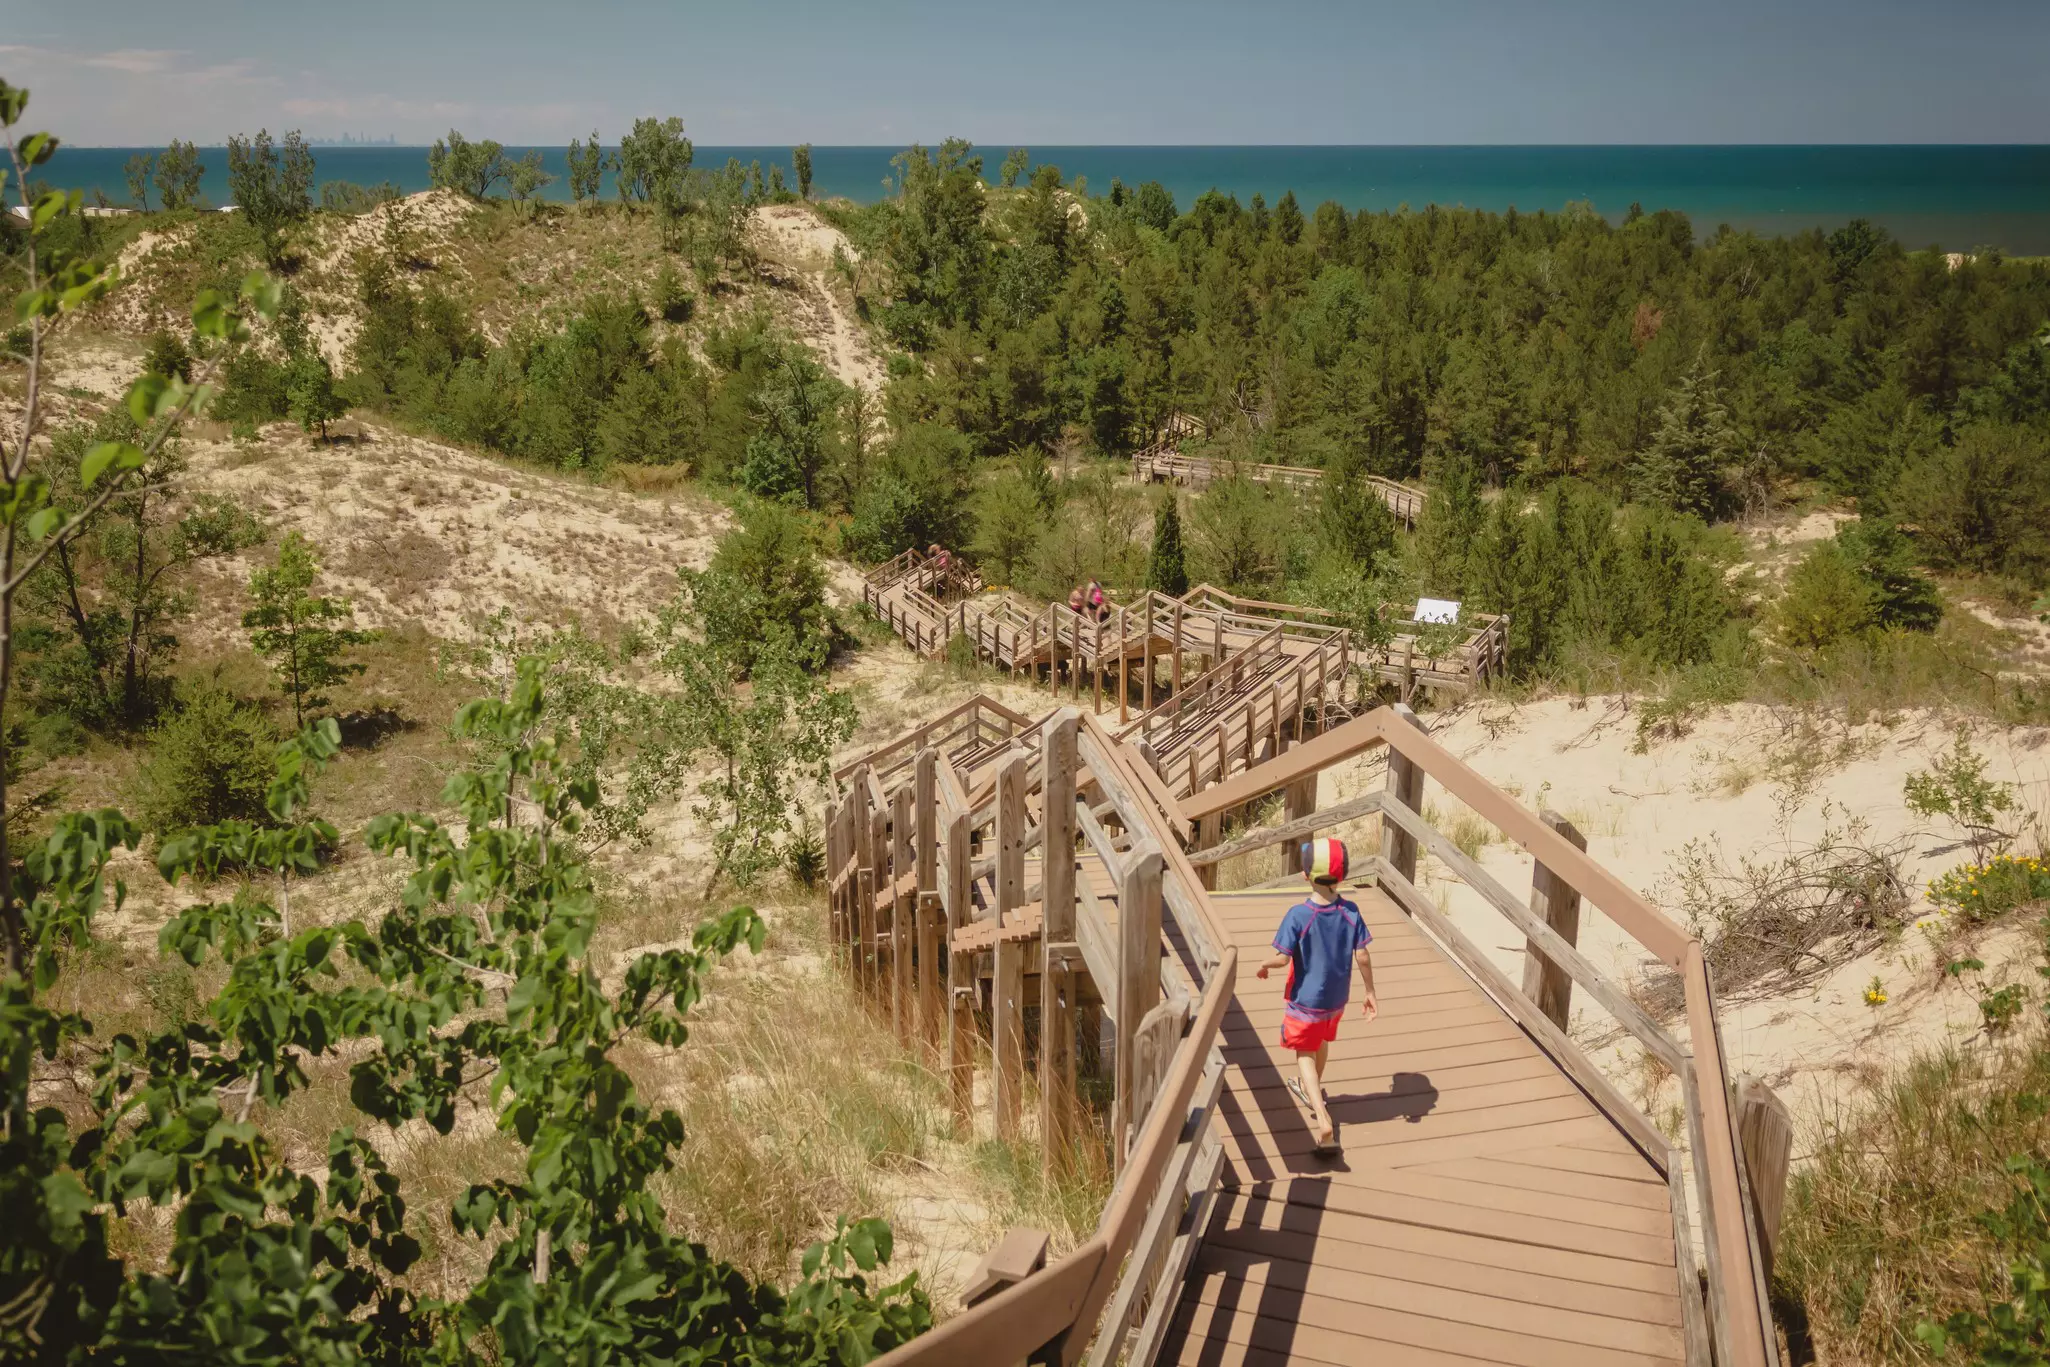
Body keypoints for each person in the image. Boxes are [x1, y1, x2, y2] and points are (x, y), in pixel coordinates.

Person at [1255, 837, 1376, 1155]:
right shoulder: (1351, 911)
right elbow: (1362, 956)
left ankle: (1323, 1119)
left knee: (1303, 1053)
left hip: (1306, 999)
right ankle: (1313, 1090)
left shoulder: (1298, 915)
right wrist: (1370, 992)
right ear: (1343, 875)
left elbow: (1282, 959)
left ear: (1305, 875)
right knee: (1320, 1042)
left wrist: (1265, 964)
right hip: (1336, 1000)